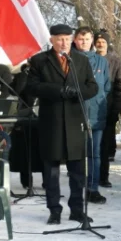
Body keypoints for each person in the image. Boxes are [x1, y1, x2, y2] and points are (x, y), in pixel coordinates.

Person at [26, 24, 99, 225]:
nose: (64, 42)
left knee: (77, 171)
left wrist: (77, 92)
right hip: (52, 122)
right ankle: (54, 210)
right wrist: (58, 90)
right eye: (59, 39)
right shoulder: (40, 60)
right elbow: (32, 86)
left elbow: (92, 87)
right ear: (52, 40)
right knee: (51, 171)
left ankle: (77, 209)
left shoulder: (81, 61)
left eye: (67, 38)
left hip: (76, 122)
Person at [73, 28, 111, 205]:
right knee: (77, 154)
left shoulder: (101, 61)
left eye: (87, 39)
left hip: (96, 114)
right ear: (75, 40)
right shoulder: (69, 59)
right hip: (75, 114)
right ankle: (78, 187)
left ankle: (93, 188)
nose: (84, 42)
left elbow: (107, 86)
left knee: (95, 154)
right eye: (81, 39)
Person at [94, 30, 121, 188]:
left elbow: (120, 84)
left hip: (108, 107)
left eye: (103, 42)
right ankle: (91, 176)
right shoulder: (89, 59)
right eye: (98, 41)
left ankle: (103, 176)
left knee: (105, 146)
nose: (100, 44)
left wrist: (116, 109)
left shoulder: (114, 60)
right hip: (91, 110)